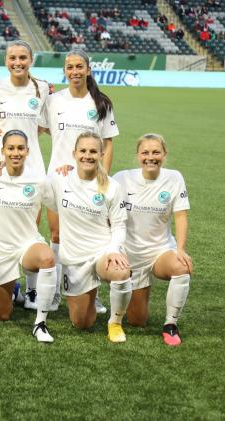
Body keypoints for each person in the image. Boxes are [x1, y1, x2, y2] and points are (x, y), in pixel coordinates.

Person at [42, 49, 119, 314]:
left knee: (93, 238)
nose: (74, 71)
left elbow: (107, 143)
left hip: (90, 183)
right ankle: (52, 292)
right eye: (69, 66)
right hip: (58, 179)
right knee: (57, 235)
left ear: (88, 69)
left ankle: (92, 293)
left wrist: (103, 179)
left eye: (79, 66)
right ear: (65, 70)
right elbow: (35, 128)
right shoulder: (53, 101)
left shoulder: (101, 103)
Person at [0, 40, 50, 310]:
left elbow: (43, 125)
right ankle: (10, 280)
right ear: (6, 60)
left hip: (31, 162)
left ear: (30, 60)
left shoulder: (42, 88)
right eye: (12, 58)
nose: (17, 62)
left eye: (23, 57)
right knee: (2, 218)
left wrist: (26, 135)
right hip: (0, 160)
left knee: (32, 222)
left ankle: (32, 290)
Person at [47, 132, 131, 343]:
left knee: (121, 272)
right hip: (74, 259)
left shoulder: (111, 186)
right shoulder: (59, 178)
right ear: (74, 154)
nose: (87, 155)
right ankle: (91, 295)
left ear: (101, 154)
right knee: (82, 323)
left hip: (102, 252)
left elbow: (120, 225)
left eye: (93, 151)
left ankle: (115, 323)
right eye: (82, 151)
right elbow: (32, 185)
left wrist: (113, 249)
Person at [113, 134, 192, 346]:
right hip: (131, 255)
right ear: (138, 156)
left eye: (156, 152)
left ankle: (171, 325)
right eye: (145, 152)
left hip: (160, 251)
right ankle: (140, 287)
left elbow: (181, 216)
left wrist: (181, 249)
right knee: (137, 321)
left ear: (164, 155)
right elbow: (100, 189)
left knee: (181, 267)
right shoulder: (122, 178)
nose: (151, 157)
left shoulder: (174, 178)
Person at [0, 130, 57, 342]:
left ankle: (40, 323)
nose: (16, 152)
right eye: (11, 148)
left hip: (28, 244)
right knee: (1, 314)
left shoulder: (39, 180)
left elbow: (58, 204)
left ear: (27, 151)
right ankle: (15, 288)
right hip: (0, 249)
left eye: (20, 148)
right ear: (2, 151)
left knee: (48, 258)